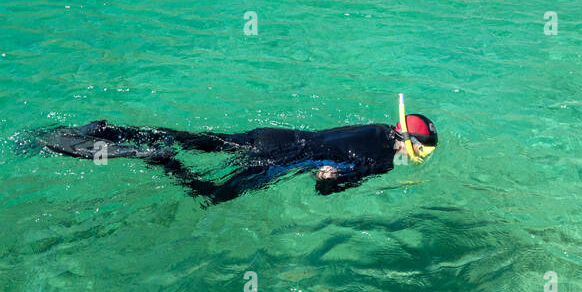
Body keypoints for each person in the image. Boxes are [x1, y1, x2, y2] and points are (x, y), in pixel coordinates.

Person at [37, 96, 437, 204]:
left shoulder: (377, 127)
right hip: (279, 160)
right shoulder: (385, 162)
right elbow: (325, 185)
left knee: (194, 137)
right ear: (412, 148)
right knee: (210, 195)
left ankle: (106, 130)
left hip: (273, 137)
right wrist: (332, 181)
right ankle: (162, 162)